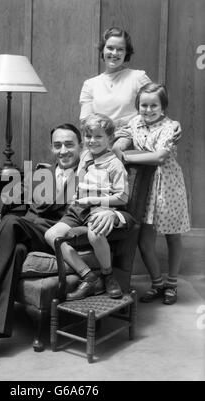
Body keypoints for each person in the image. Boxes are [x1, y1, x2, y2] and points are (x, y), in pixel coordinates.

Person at [0, 123, 131, 379]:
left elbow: (124, 206)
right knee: (15, 249)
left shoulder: (94, 173)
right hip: (23, 235)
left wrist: (112, 212)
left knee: (12, 223)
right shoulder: (43, 174)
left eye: (69, 144)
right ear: (52, 147)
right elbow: (3, 195)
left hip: (57, 240)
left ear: (81, 146)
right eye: (58, 145)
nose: (63, 151)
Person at [113, 82, 190, 306]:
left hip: (168, 185)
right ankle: (157, 283)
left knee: (173, 236)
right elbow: (119, 138)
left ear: (163, 107)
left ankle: (172, 284)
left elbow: (159, 157)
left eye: (153, 105)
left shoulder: (169, 127)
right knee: (145, 239)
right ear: (138, 106)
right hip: (144, 186)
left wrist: (127, 157)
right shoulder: (135, 122)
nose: (148, 110)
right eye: (143, 105)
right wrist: (120, 145)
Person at [45, 114, 128, 301]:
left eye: (98, 136)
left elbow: (122, 197)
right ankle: (89, 276)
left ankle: (107, 274)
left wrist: (91, 200)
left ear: (110, 139)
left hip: (100, 208)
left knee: (94, 234)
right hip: (78, 209)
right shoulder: (84, 156)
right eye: (89, 136)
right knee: (51, 235)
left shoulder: (114, 164)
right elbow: (80, 178)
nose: (92, 140)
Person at [79, 27, 151, 127]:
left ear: (126, 52)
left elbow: (156, 110)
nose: (114, 53)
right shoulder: (90, 84)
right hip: (101, 138)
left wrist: (172, 124)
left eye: (120, 49)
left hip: (131, 136)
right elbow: (85, 122)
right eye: (110, 48)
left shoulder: (138, 77)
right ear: (102, 49)